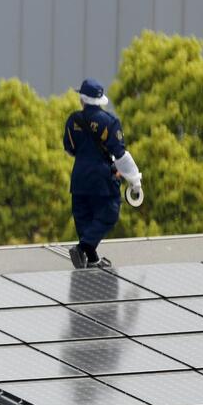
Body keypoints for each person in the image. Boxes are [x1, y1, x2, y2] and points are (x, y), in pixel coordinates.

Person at [63, 78, 142, 269]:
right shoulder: (110, 123)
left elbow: (69, 149)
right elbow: (120, 155)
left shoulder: (73, 120)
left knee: (84, 218)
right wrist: (135, 181)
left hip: (79, 178)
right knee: (109, 213)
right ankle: (82, 249)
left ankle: (92, 259)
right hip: (102, 179)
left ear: (82, 99)